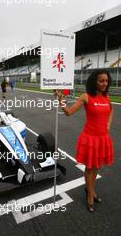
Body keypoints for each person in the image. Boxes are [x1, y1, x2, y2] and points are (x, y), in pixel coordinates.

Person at [55, 69, 114, 212]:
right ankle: (90, 194)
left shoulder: (107, 97)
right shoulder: (85, 96)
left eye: (106, 81)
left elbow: (111, 110)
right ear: (94, 81)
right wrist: (60, 100)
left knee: (97, 166)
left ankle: (90, 189)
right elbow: (69, 112)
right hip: (90, 138)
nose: (104, 83)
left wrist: (108, 125)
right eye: (101, 81)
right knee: (90, 167)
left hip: (102, 138)